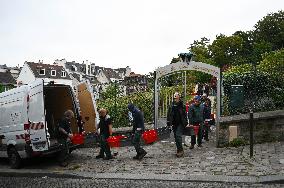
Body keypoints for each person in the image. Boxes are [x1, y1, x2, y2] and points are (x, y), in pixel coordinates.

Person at [167, 92, 187, 157]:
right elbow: (169, 114)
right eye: (174, 96)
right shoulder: (171, 105)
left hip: (180, 123)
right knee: (176, 137)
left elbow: (184, 114)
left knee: (178, 136)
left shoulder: (182, 105)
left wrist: (186, 122)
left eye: (176, 96)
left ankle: (181, 150)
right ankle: (179, 150)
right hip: (174, 123)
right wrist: (168, 123)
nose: (175, 97)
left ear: (179, 97)